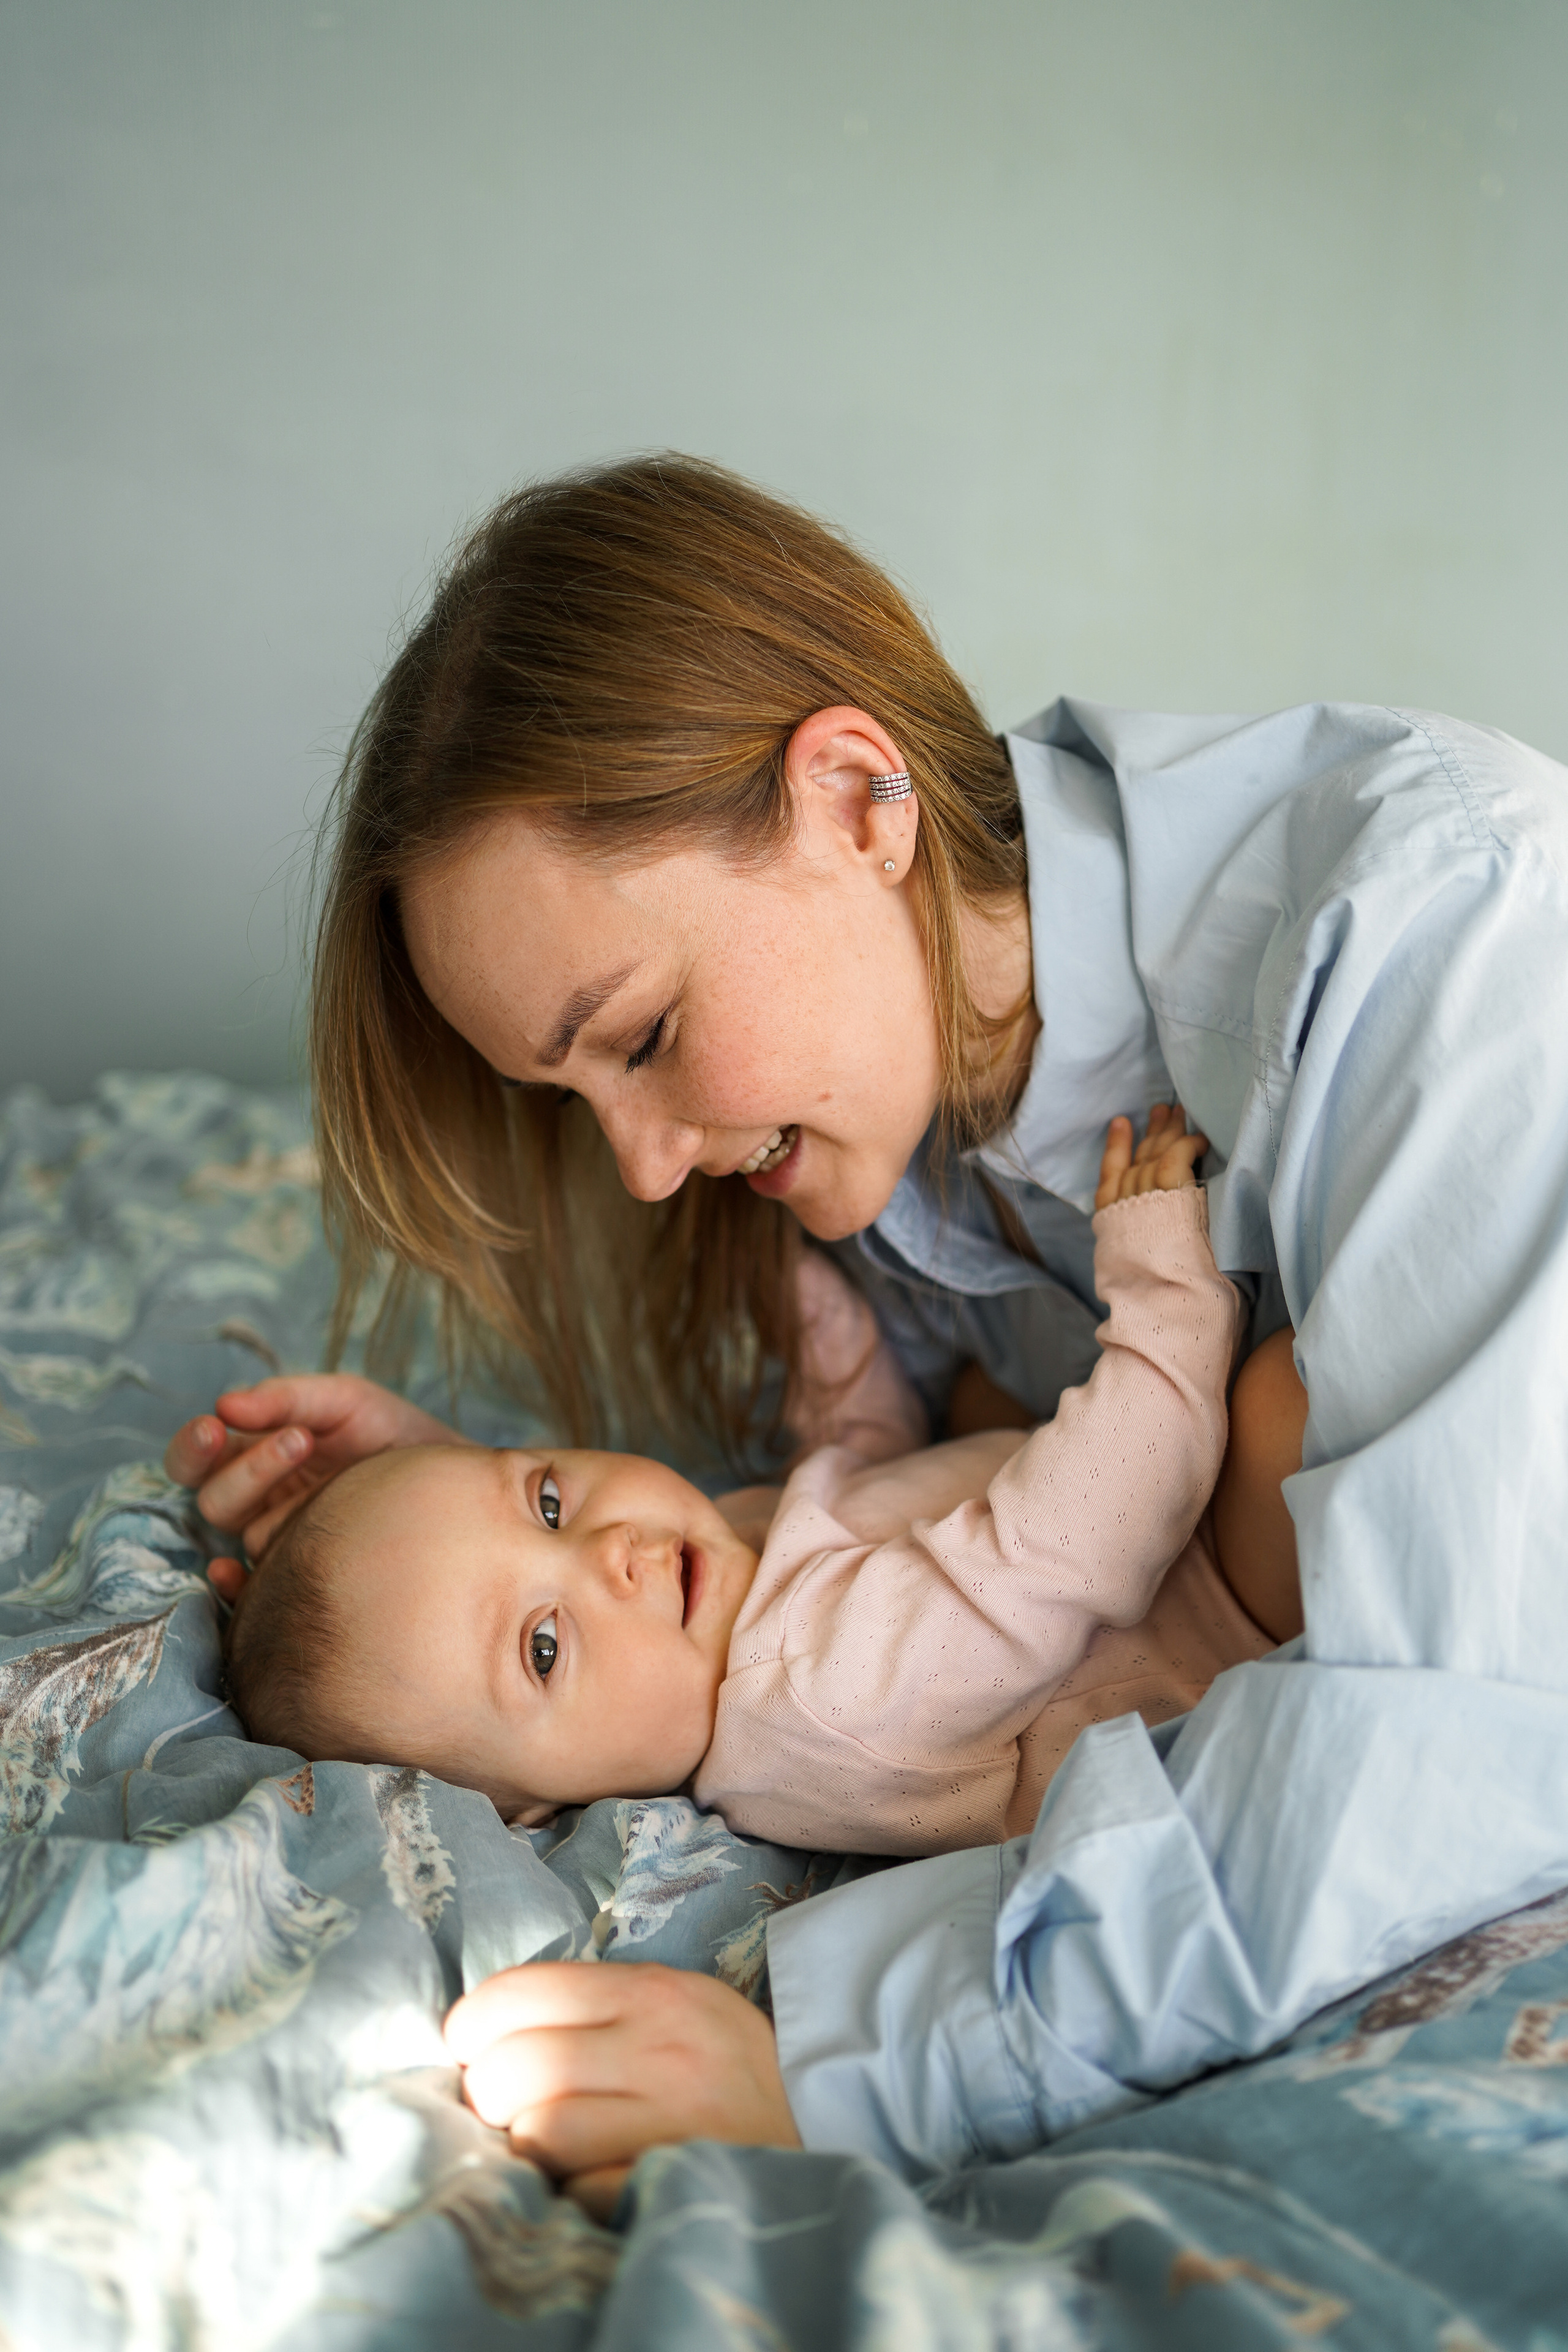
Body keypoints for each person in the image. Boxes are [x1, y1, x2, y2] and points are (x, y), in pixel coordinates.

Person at [167, 454, 1568, 2202]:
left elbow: (1448, 1733)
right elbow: (878, 1517)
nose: (652, 1172)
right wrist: (454, 1549)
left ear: (855, 801)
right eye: (575, 1089)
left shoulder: (1440, 929)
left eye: (649, 1035)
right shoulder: (897, 1109)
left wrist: (850, 2065)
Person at [209, 1110, 1285, 1857]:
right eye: (543, 1646)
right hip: (1218, 1604)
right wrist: (1163, 1293)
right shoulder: (823, 1694)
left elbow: (856, 1487)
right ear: (532, 1812)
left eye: (546, 1503)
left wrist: (816, 1325)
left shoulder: (707, 1611)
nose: (605, 1557)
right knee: (1281, 1402)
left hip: (1116, 1545)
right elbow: (1079, 1538)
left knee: (971, 1406)